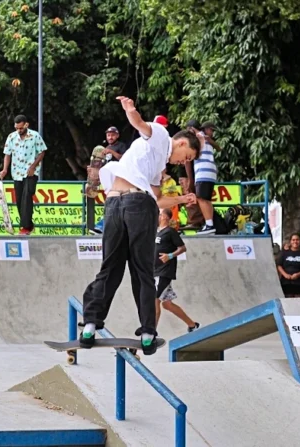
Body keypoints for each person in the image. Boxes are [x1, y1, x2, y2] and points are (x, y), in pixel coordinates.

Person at [80, 96, 200, 355]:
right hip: (138, 207)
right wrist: (130, 110)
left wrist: (181, 198)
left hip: (113, 205)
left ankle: (90, 325)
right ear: (179, 143)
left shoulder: (156, 165)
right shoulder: (160, 135)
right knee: (142, 271)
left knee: (109, 269)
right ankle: (147, 332)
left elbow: (158, 199)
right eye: (186, 156)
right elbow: (141, 126)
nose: (183, 162)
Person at [0, 115, 48, 235]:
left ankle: (25, 227)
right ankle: (29, 225)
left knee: (27, 195)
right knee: (20, 199)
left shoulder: (35, 136)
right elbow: (7, 154)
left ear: (26, 125)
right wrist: (4, 169)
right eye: (17, 128)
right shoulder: (11, 137)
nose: (19, 131)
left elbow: (42, 152)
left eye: (21, 128)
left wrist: (33, 166)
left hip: (31, 172)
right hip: (17, 172)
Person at [154, 208, 200, 331]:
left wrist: (169, 256)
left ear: (164, 217)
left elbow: (182, 248)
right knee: (167, 304)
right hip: (155, 271)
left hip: (164, 272)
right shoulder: (156, 232)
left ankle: (151, 332)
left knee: (154, 301)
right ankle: (192, 325)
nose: (156, 215)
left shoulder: (170, 232)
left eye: (159, 213)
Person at [184, 120, 219, 234]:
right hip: (211, 172)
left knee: (201, 199)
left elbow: (189, 157)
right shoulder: (206, 138)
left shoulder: (197, 138)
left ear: (192, 129)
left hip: (203, 171)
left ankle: (209, 225)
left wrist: (190, 179)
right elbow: (218, 147)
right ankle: (210, 224)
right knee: (206, 199)